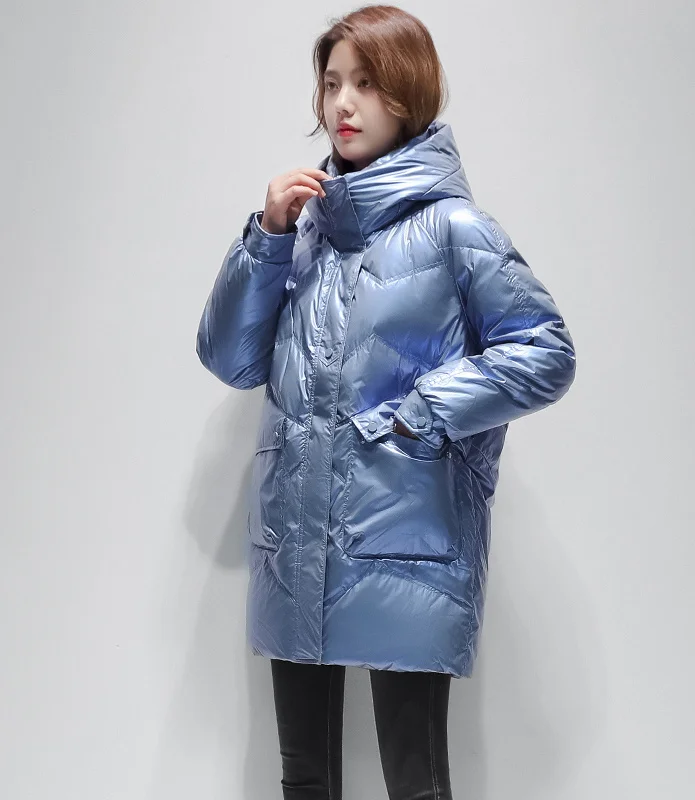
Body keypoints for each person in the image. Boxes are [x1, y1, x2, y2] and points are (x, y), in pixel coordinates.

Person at [196, 5, 577, 798]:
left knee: (415, 781)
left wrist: (423, 412)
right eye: (332, 83)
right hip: (298, 545)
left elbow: (545, 352)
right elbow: (231, 360)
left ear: (409, 92)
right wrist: (266, 237)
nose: (342, 103)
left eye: (366, 84)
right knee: (304, 777)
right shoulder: (303, 233)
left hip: (408, 543)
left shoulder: (455, 229)